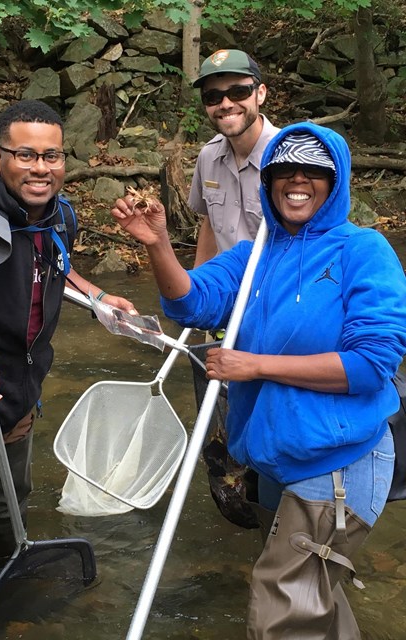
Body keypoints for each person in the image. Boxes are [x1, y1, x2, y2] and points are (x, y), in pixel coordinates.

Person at [112, 122, 406, 638]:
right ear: (267, 183)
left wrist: (255, 365)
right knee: (315, 600)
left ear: (335, 182)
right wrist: (158, 244)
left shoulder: (364, 250)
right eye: (283, 172)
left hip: (339, 461)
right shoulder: (256, 256)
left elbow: (370, 366)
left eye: (313, 172)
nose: (297, 181)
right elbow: (192, 301)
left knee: (280, 616)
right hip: (276, 459)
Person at [0, 98, 136, 633]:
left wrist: (97, 292)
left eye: (53, 156)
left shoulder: (59, 214)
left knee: (6, 516)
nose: (42, 168)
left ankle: (2, 609)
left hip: (20, 399)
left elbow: (50, 263)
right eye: (26, 155)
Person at [189, 48, 279, 266]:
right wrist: (197, 287)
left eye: (239, 92)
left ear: (261, 94)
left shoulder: (286, 156)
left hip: (275, 292)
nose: (226, 104)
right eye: (213, 97)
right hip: (226, 291)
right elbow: (210, 223)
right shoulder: (208, 156)